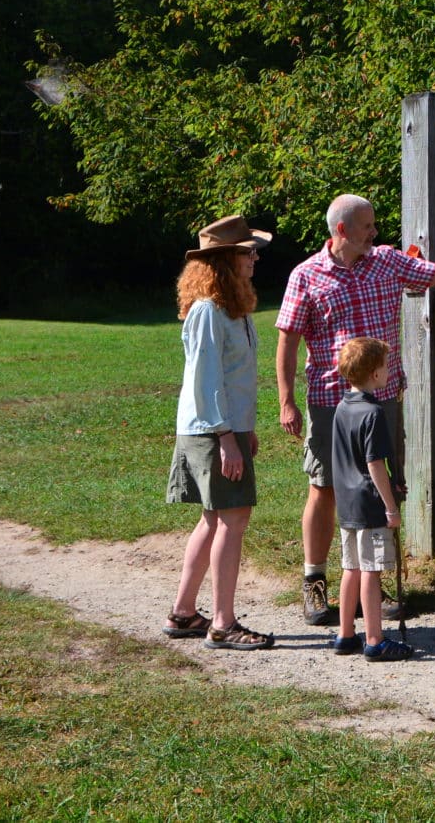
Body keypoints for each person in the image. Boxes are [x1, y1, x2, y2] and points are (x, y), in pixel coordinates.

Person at [276, 193, 435, 625]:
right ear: (341, 230)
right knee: (325, 488)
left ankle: (376, 586)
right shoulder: (305, 276)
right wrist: (286, 399)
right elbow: (286, 340)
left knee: (384, 487)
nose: (374, 232)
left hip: (383, 401)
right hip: (330, 403)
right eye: (366, 226)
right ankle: (315, 582)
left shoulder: (387, 262)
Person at [164, 215, 276, 650]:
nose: (254, 259)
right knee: (234, 519)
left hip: (224, 429)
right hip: (212, 432)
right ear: (225, 260)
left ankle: (184, 612)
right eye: (247, 252)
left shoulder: (232, 309)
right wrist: (227, 436)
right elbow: (206, 380)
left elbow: (234, 380)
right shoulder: (208, 311)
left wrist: (243, 429)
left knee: (214, 519)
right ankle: (224, 624)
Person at [328, 336, 412, 662]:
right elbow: (375, 464)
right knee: (371, 570)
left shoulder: (341, 407)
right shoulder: (374, 413)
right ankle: (375, 639)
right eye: (387, 366)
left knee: (351, 567)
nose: (389, 371)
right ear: (375, 373)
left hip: (347, 503)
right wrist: (390, 506)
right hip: (369, 502)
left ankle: (345, 634)